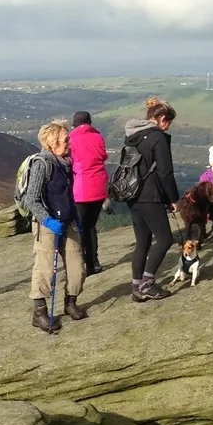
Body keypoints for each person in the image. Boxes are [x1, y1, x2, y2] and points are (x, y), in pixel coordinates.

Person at [19, 120, 89, 331]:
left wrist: (75, 218)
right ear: (52, 142)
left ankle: (71, 303)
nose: (69, 143)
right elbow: (31, 199)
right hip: (46, 224)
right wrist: (47, 220)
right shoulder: (43, 164)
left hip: (68, 220)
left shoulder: (66, 163)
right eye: (65, 139)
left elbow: (68, 195)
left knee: (78, 268)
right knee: (45, 269)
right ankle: (39, 313)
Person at [120, 97, 179, 302]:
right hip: (150, 195)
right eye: (168, 122)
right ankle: (147, 284)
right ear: (161, 118)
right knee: (165, 239)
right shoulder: (157, 138)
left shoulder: (133, 136)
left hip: (132, 194)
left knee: (143, 242)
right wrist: (173, 198)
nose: (168, 127)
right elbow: (165, 173)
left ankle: (136, 287)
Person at [67, 110, 108, 277]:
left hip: (81, 188)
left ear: (74, 124)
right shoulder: (97, 137)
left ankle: (86, 263)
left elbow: (69, 162)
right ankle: (94, 262)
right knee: (91, 226)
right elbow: (103, 156)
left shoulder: (71, 140)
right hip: (99, 187)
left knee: (82, 227)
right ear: (90, 122)